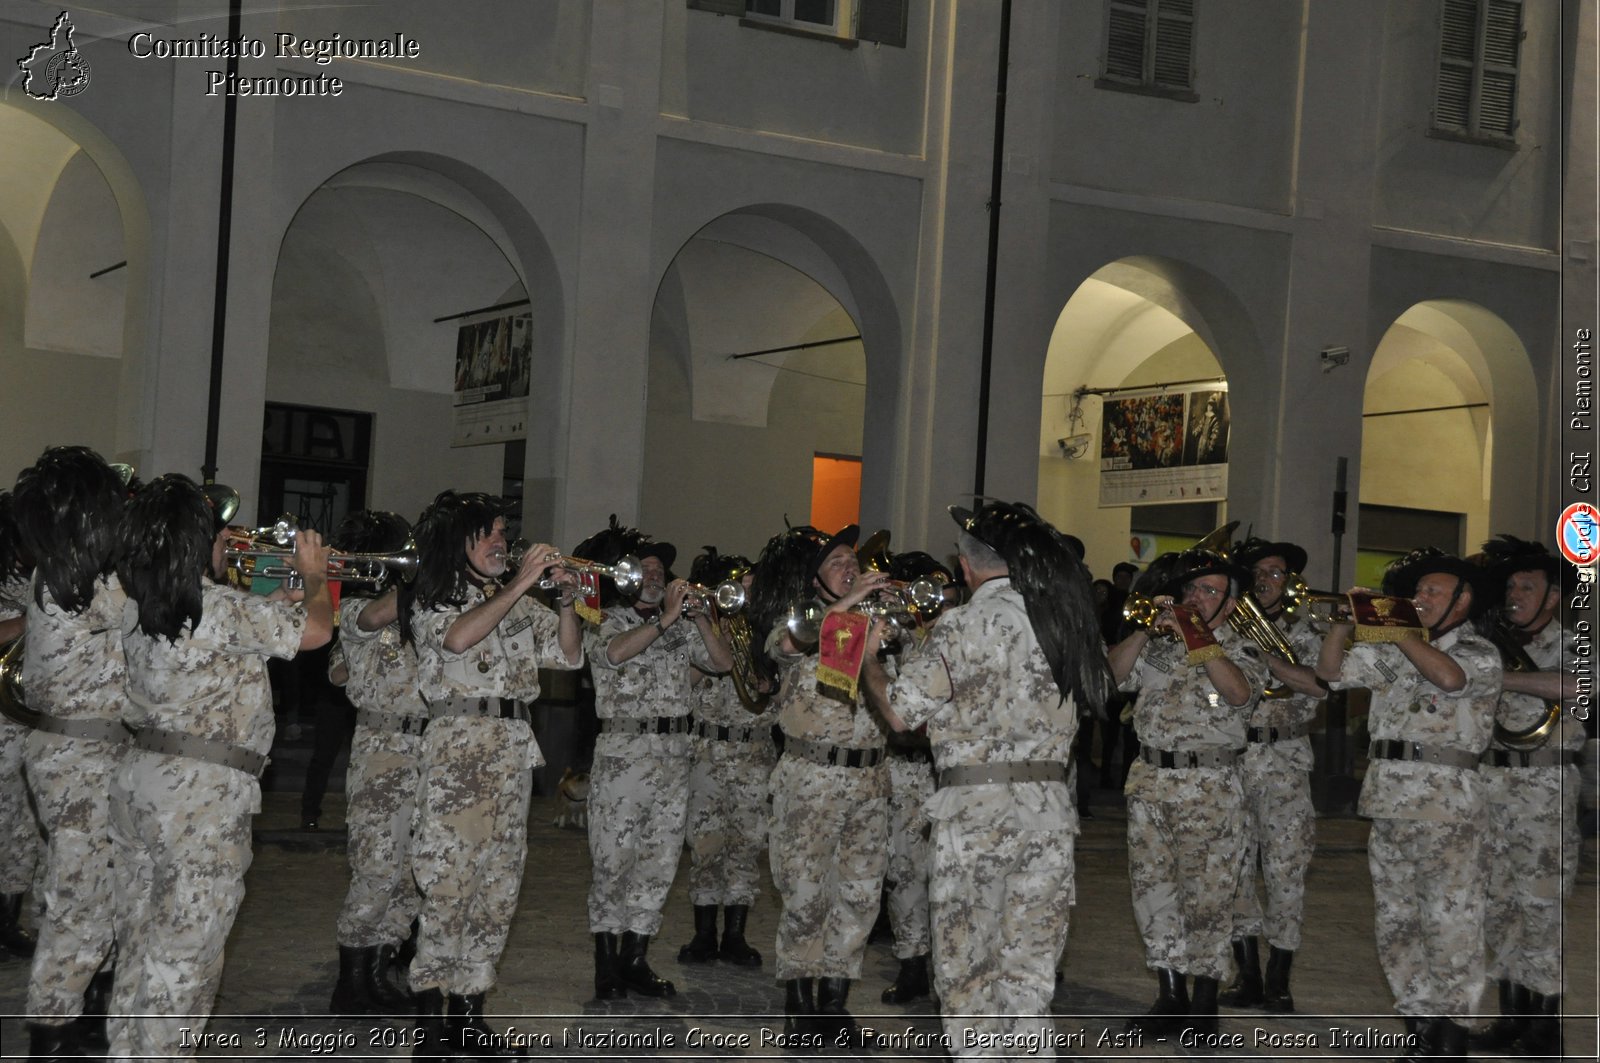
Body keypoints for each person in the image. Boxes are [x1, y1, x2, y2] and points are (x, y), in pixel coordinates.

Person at [861, 502, 1111, 1057]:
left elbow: (903, 714)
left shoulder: (963, 623)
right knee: (1029, 971)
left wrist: (869, 662)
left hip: (975, 811)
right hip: (1047, 810)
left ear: (965, 566)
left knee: (968, 970)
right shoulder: (1064, 621)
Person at [108, 474, 334, 1059]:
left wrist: (267, 604)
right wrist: (313, 576)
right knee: (186, 958)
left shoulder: (138, 606)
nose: (227, 541)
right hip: (201, 798)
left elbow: (222, 634)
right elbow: (318, 631)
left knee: (138, 946)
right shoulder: (218, 606)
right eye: (215, 533)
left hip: (141, 781)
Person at [399, 491, 581, 1055]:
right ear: (459, 542)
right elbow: (457, 639)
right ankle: (431, 1028)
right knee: (448, 887)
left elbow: (571, 658)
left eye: (504, 533)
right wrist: (522, 583)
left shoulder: (514, 603)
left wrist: (570, 603)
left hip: (511, 754)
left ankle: (470, 1017)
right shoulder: (433, 598)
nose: (501, 543)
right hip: (459, 752)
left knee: (498, 891)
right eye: (488, 534)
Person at [1316, 549, 1502, 1061]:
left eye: (1432, 592)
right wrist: (1341, 624)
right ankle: (1419, 1026)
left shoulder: (1479, 650)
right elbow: (1330, 674)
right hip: (1389, 802)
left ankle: (1452, 1035)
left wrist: (1398, 630)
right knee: (1397, 923)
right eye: (1417, 592)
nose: (1419, 598)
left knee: (1451, 922)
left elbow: (1450, 680)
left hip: (1448, 808)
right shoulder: (1395, 651)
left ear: (1462, 602)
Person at [1106, 546, 1269, 1036]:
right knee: (1153, 894)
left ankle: (1204, 1007)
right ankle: (1169, 996)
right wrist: (1140, 628)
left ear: (1231, 603)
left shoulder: (1245, 648)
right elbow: (1110, 677)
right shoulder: (1159, 644)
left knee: (1208, 900)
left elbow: (1239, 693)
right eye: (1192, 589)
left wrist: (1198, 637)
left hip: (1210, 789)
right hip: (1152, 783)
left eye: (1209, 590)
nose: (1196, 597)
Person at [747, 524, 893, 1042]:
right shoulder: (798, 623)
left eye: (854, 561)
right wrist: (849, 604)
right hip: (811, 778)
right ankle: (800, 1004)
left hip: (871, 777)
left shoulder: (882, 624)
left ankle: (835, 1002)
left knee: (858, 895)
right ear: (815, 579)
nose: (850, 567)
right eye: (837, 563)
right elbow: (794, 643)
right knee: (806, 893)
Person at [11, 446, 131, 1058]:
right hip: (79, 757)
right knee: (78, 904)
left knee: (101, 896)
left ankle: (79, 1020)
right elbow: (153, 609)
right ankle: (51, 1037)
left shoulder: (71, 571)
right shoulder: (71, 579)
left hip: (86, 753)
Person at [583, 530, 732, 999]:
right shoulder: (604, 618)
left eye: (660, 572)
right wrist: (667, 619)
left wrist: (701, 618)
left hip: (673, 759)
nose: (654, 577)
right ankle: (607, 964)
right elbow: (613, 654)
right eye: (646, 570)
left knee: (659, 864)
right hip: (623, 758)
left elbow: (724, 664)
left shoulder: (682, 626)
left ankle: (636, 958)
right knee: (613, 863)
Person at [1469, 537, 1579, 1057]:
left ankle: (1546, 1024)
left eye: (1526, 586)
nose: (1514, 594)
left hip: (1544, 791)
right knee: (1498, 908)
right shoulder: (1489, 643)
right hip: (1492, 787)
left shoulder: (1573, 645)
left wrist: (1498, 676)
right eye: (1510, 585)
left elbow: (1574, 689)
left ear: (1553, 597)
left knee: (1541, 911)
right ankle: (1512, 1017)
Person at [324, 510, 425, 1016]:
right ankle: (351, 980)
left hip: (429, 748)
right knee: (376, 868)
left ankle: (380, 967)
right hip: (383, 749)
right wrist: (430, 573)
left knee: (410, 873)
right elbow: (371, 622)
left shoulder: (417, 609)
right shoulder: (358, 608)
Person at [1217, 537, 1323, 1013]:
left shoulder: (1305, 631)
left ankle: (1280, 979)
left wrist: (1268, 659)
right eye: (1257, 573)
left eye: (1275, 572)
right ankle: (1248, 975)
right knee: (1235, 871)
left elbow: (1320, 686)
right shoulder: (1227, 631)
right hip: (1235, 760)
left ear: (1290, 581)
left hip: (1284, 760)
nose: (1265, 580)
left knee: (1285, 872)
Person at [675, 548, 775, 970]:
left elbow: (778, 691)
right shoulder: (696, 630)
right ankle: (703, 934)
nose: (747, 596)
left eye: (751, 588)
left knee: (747, 843)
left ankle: (735, 934)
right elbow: (685, 682)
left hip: (754, 750)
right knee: (706, 842)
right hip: (708, 750)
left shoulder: (767, 633)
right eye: (740, 587)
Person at [873, 549, 953, 1009]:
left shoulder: (952, 630)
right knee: (904, 872)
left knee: (946, 873)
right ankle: (910, 965)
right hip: (902, 769)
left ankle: (946, 966)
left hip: (945, 770)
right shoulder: (889, 630)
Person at [0, 492, 42, 963]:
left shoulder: (31, 579)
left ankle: (7, 921)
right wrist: (31, 620)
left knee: (22, 828)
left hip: (24, 722)